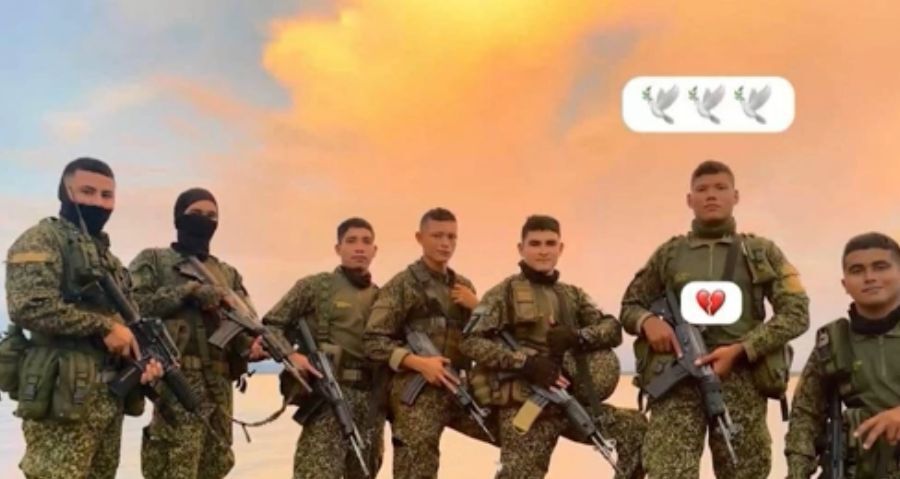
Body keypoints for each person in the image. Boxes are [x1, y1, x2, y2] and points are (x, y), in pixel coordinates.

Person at [620, 160, 809, 478]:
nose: (711, 195)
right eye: (702, 189)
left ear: (736, 196)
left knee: (745, 472)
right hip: (677, 379)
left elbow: (797, 312)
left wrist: (742, 349)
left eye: (720, 188)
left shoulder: (760, 251)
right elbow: (630, 305)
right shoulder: (669, 254)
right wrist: (648, 322)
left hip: (741, 378)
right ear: (689, 199)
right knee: (667, 472)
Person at [5, 157, 163, 479]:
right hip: (63, 398)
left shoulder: (109, 260)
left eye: (107, 195)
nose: (98, 203)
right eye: (87, 192)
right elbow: (27, 305)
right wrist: (102, 327)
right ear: (65, 192)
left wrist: (144, 361)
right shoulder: (42, 238)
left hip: (108, 400)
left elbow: (126, 326)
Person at [461, 214, 647, 478]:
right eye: (535, 243)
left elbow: (612, 329)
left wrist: (578, 336)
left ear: (561, 248)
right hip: (527, 404)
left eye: (550, 243)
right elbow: (470, 341)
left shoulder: (571, 295)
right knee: (519, 474)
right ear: (521, 248)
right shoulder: (504, 293)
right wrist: (525, 364)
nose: (543, 251)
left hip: (569, 401)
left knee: (637, 431)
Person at [364, 207, 496, 479]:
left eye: (451, 237)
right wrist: (419, 363)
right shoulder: (402, 285)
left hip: (458, 385)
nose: (445, 243)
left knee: (517, 432)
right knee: (417, 460)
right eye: (437, 236)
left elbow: (484, 339)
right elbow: (373, 341)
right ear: (420, 238)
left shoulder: (463, 286)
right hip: (416, 388)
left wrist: (479, 307)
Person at [263, 217, 386, 479]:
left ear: (375, 250)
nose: (359, 247)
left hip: (371, 403)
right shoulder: (315, 287)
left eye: (366, 242)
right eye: (351, 241)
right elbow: (270, 326)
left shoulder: (384, 298)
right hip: (328, 397)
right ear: (338, 248)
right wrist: (291, 355)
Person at [786, 232, 900, 478]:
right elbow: (805, 416)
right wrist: (796, 473)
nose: (869, 277)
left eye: (880, 267)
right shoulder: (833, 343)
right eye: (857, 271)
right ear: (845, 284)